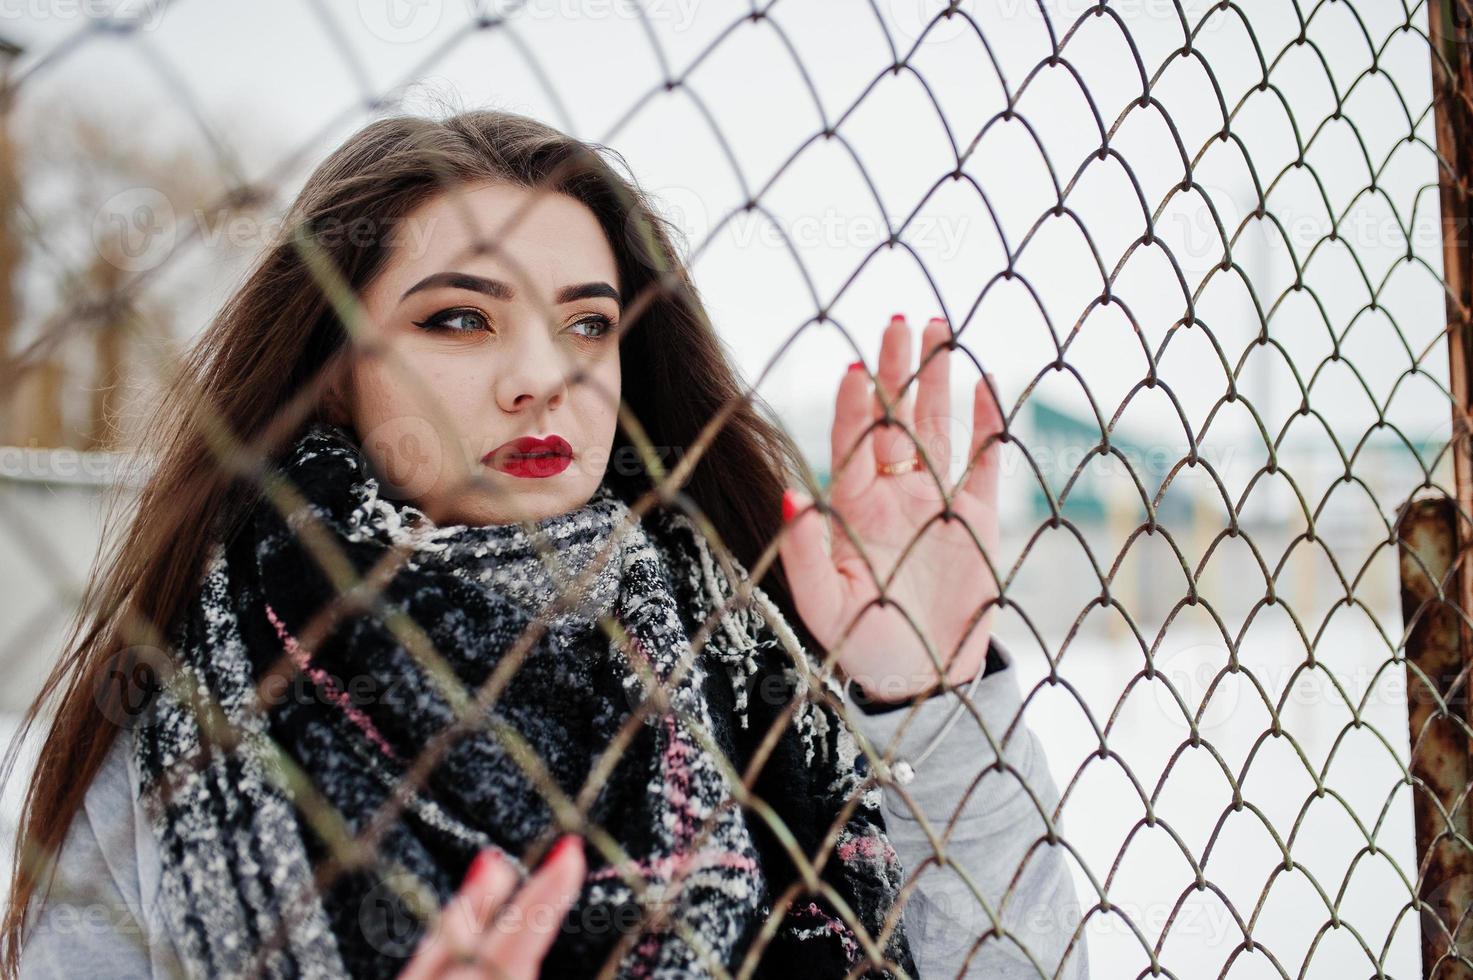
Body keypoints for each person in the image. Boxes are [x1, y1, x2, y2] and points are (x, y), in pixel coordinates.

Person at [0, 109, 1091, 979]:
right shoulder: (191, 722)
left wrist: (930, 698)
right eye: (460, 319)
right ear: (333, 368)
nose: (545, 377)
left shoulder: (757, 657)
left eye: (587, 323)